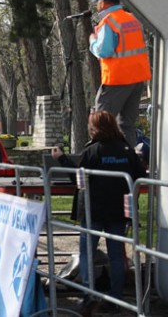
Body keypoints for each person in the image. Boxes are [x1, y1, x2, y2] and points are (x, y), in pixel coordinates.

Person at [51, 110, 147, 316]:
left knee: (87, 253)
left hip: (93, 210)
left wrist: (61, 159)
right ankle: (115, 299)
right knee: (116, 255)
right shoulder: (127, 150)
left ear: (95, 128)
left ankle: (90, 295)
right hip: (119, 211)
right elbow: (140, 176)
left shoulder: (92, 151)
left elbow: (79, 180)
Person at [89, 0, 151, 148]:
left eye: (98, 2)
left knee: (101, 124)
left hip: (117, 79)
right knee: (126, 125)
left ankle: (102, 158)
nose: (97, 6)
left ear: (103, 3)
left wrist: (92, 41)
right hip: (137, 78)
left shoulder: (109, 22)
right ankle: (128, 158)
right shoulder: (132, 19)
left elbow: (104, 51)